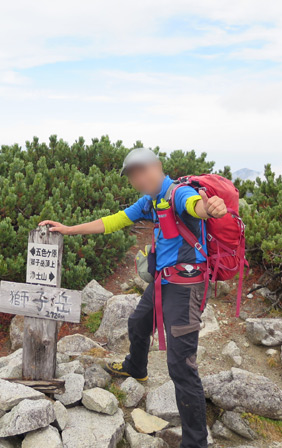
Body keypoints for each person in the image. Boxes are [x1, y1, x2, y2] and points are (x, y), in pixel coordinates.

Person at [39, 147, 227, 448]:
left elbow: (195, 206)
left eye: (143, 170)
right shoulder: (150, 202)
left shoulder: (177, 193)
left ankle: (195, 442)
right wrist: (68, 229)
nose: (139, 179)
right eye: (132, 175)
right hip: (164, 280)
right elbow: (112, 221)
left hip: (187, 287)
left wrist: (209, 208)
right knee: (139, 323)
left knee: (181, 366)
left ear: (158, 166)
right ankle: (136, 368)